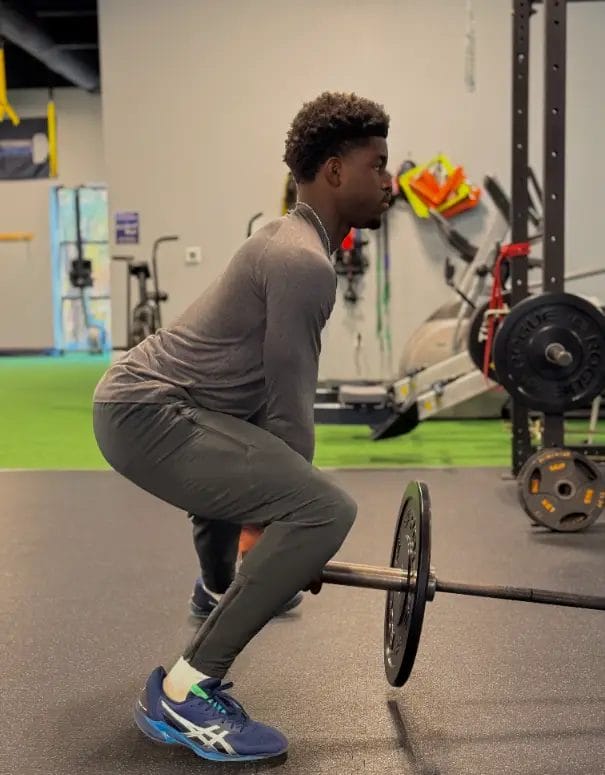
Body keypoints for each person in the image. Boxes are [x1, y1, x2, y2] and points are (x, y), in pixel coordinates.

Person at [93, 91, 392, 763]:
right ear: (336, 171)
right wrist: (281, 535)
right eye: (377, 165)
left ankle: (215, 586)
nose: (389, 182)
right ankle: (184, 690)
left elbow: (252, 413)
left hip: (159, 405)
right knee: (320, 510)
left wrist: (255, 550)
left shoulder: (289, 241)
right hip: (145, 413)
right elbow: (290, 413)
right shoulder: (302, 262)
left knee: (276, 488)